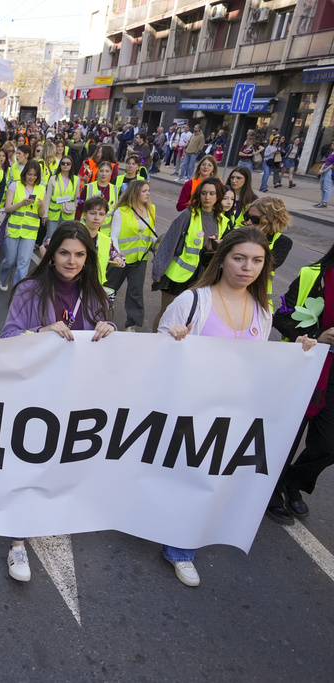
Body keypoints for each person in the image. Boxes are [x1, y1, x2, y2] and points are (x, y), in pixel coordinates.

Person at [157, 227, 313, 586]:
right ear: (223, 258)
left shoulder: (263, 310)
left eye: (257, 260)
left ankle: (181, 542)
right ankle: (179, 547)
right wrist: (173, 338)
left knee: (209, 477)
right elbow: (157, 355)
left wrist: (300, 353)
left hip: (234, 412)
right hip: (190, 408)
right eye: (239, 258)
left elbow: (261, 363)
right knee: (185, 476)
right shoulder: (193, 300)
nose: (248, 267)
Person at [0, 221, 115, 581]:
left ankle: (49, 514)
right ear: (51, 255)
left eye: (80, 254)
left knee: (59, 461)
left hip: (75, 394)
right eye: (64, 252)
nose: (72, 260)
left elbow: (105, 345)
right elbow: (7, 338)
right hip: (34, 392)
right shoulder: (30, 290)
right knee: (27, 462)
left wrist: (109, 330)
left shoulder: (96, 294)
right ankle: (16, 543)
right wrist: (41, 333)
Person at [269, 236, 334, 523]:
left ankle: (292, 480)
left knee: (327, 445)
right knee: (286, 438)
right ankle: (270, 490)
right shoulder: (313, 276)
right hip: (304, 369)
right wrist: (319, 335)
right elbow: (280, 318)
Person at [151, 177, 226, 331]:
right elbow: (169, 242)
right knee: (167, 314)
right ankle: (154, 341)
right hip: (177, 276)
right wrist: (158, 271)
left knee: (189, 317)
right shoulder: (188, 214)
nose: (207, 197)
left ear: (218, 196)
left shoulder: (223, 221)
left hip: (202, 277)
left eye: (212, 193)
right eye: (204, 193)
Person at [107, 180, 156, 331]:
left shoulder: (151, 209)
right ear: (135, 193)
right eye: (144, 191)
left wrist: (157, 250)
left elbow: (151, 234)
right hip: (120, 259)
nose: (148, 193)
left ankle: (132, 325)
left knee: (135, 292)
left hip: (140, 259)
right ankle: (99, 315)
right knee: (109, 289)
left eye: (148, 190)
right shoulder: (121, 211)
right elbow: (113, 236)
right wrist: (116, 254)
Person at [0, 160, 46, 291]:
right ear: (25, 173)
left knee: (23, 264)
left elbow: (41, 214)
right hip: (13, 229)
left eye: (35, 175)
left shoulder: (42, 189)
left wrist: (41, 206)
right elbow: (7, 208)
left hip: (30, 231)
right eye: (29, 174)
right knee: (9, 260)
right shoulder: (15, 186)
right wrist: (21, 203)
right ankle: (3, 279)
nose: (32, 177)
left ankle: (17, 290)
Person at [245, 196, 293, 307]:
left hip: (258, 302)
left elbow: (265, 266)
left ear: (271, 220)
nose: (248, 222)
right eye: (247, 216)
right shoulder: (235, 234)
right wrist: (209, 250)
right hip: (228, 298)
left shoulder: (282, 242)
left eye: (255, 219)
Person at [45, 154, 78, 243]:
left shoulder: (76, 179)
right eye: (63, 163)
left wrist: (74, 207)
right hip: (54, 212)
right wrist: (45, 214)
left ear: (71, 165)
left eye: (68, 163)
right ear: (60, 165)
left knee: (65, 237)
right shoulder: (53, 178)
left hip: (68, 212)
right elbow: (47, 197)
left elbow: (77, 197)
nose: (65, 165)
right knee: (50, 237)